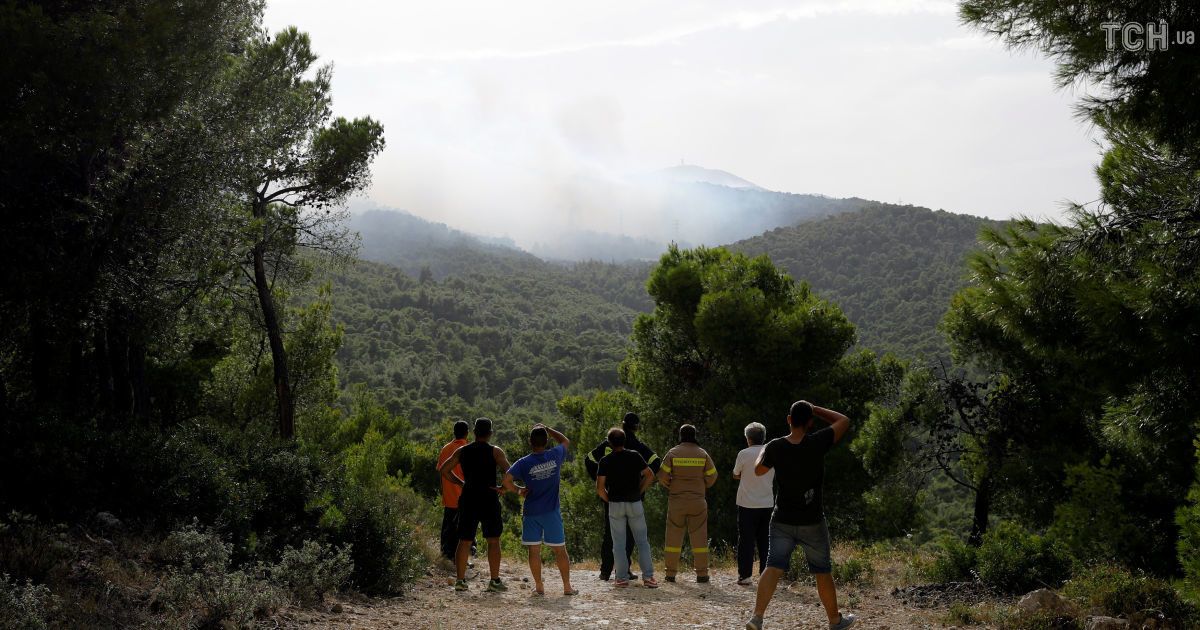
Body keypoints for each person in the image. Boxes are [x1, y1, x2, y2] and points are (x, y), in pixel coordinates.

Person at [746, 401, 857, 630]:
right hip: (812, 520)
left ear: (788, 419)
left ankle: (757, 617)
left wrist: (763, 454)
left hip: (782, 520)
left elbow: (758, 470)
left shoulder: (775, 446)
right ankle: (835, 621)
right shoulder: (818, 442)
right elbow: (844, 421)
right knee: (822, 571)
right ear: (810, 422)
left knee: (773, 567)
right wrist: (815, 408)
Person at [502, 423, 577, 596]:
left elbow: (506, 481)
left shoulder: (524, 462)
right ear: (546, 441)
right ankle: (567, 587)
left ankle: (539, 586)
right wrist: (549, 429)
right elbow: (565, 441)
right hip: (551, 511)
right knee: (560, 550)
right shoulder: (555, 455)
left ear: (530, 442)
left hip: (531, 512)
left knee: (534, 550)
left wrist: (519, 490)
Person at [439, 417, 512, 593]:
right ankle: (494, 581)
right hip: (489, 499)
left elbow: (444, 470)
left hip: (468, 499)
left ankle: (460, 581)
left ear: (474, 432)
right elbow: (510, 471)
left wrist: (460, 483)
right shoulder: (495, 451)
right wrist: (504, 487)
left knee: (464, 540)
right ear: (490, 433)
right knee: (493, 540)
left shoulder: (463, 451)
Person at [585, 412, 660, 580]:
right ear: (636, 427)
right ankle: (631, 572)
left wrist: (601, 482)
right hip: (634, 498)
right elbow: (656, 463)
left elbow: (588, 459)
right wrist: (641, 489)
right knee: (634, 537)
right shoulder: (638, 448)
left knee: (611, 536)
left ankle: (606, 572)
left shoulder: (607, 445)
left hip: (612, 498)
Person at [657, 424, 717, 583]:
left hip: (677, 501)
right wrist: (702, 485)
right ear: (695, 435)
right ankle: (702, 574)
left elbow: (662, 475)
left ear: (680, 435)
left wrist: (670, 484)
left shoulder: (673, 453)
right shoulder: (702, 454)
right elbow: (712, 476)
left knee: (673, 538)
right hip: (698, 501)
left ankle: (670, 574)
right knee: (699, 539)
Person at [733, 421, 774, 585]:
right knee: (765, 541)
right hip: (767, 502)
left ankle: (745, 575)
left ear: (748, 438)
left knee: (746, 540)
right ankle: (766, 575)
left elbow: (736, 474)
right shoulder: (770, 452)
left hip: (746, 503)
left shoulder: (743, 453)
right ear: (763, 437)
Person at [436, 420, 471, 562]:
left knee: (447, 528)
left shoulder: (445, 448)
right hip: (463, 497)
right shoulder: (467, 449)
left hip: (449, 496)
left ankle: (445, 555)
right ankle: (458, 559)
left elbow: (441, 471)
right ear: (467, 432)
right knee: (461, 530)